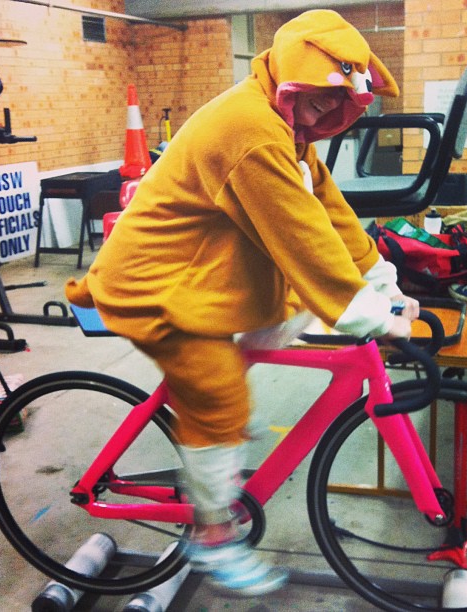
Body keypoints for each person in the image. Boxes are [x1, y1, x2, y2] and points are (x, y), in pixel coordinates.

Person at [65, 9, 419, 596]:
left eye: (339, 102)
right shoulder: (252, 131)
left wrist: (384, 283)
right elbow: (304, 240)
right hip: (154, 286)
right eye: (320, 97)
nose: (328, 111)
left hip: (197, 271)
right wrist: (372, 314)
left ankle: (220, 417)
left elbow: (330, 213)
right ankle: (213, 536)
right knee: (219, 397)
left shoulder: (286, 124)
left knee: (289, 308)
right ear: (293, 78)